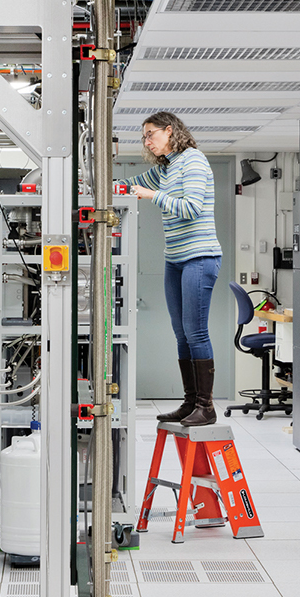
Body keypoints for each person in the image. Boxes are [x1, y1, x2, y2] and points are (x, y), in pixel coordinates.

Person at [121, 111, 223, 427]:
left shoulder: (193, 161)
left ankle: (206, 406)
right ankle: (190, 401)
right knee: (181, 334)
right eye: (144, 137)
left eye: (151, 134)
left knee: (196, 331)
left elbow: (191, 207)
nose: (147, 141)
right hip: (175, 259)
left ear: (170, 131)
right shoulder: (166, 168)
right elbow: (128, 185)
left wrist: (152, 196)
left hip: (199, 257)